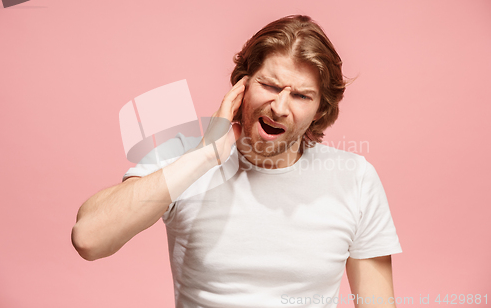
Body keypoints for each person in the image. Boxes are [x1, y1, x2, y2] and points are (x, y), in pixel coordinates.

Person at [72, 15, 402, 308]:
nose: (280, 107)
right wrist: (206, 155)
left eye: (301, 95)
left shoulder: (355, 179)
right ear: (241, 84)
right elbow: (89, 239)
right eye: (270, 86)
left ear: (321, 109)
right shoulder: (183, 158)